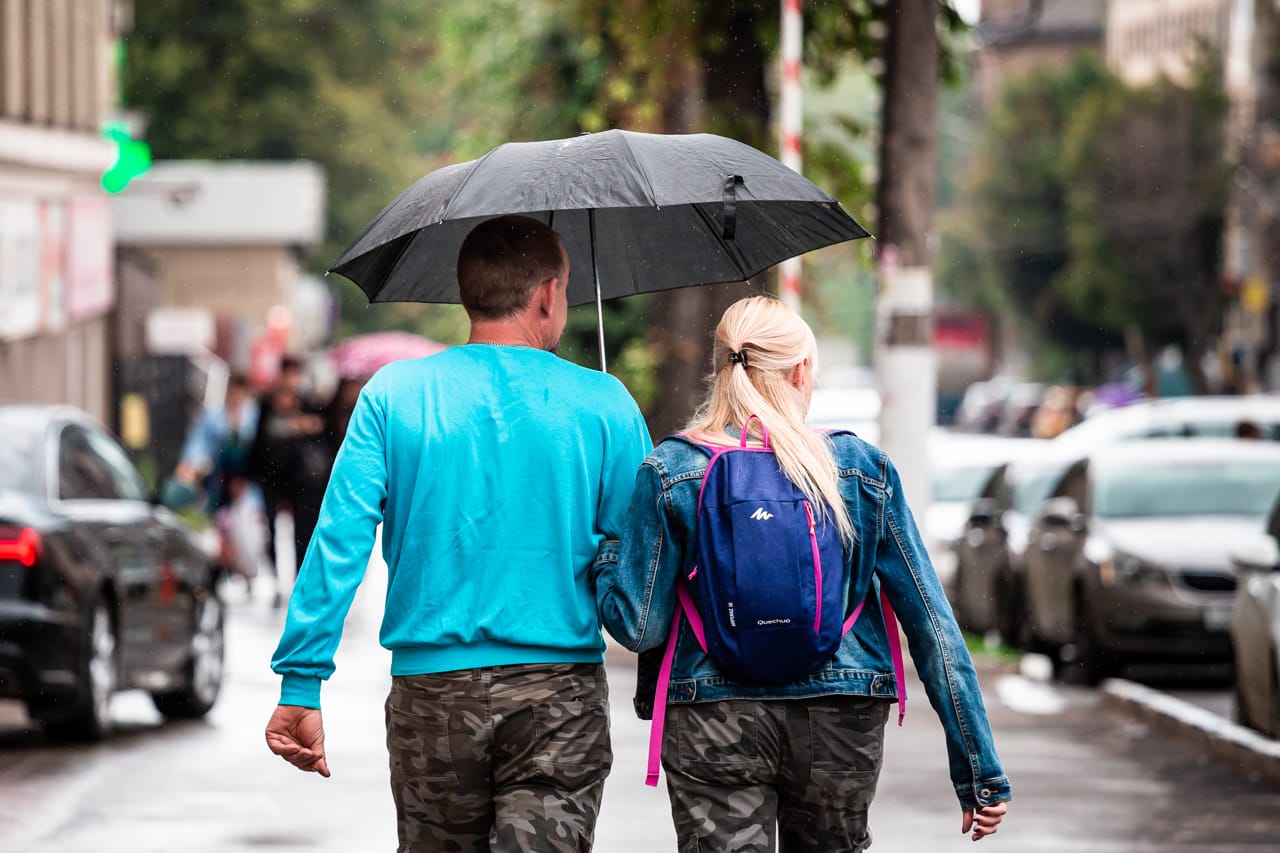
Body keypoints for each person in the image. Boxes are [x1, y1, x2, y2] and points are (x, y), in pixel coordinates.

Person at [264, 214, 652, 852]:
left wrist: (302, 680)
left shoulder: (393, 395)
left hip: (432, 694)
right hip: (556, 694)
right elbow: (639, 562)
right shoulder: (604, 403)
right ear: (549, 294)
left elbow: (338, 542)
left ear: (467, 291)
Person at [594, 295, 1011, 851]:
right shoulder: (860, 470)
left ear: (720, 369)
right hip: (840, 717)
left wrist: (608, 556)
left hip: (714, 715)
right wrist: (978, 770)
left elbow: (639, 626)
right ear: (801, 371)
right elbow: (933, 629)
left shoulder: (673, 471)